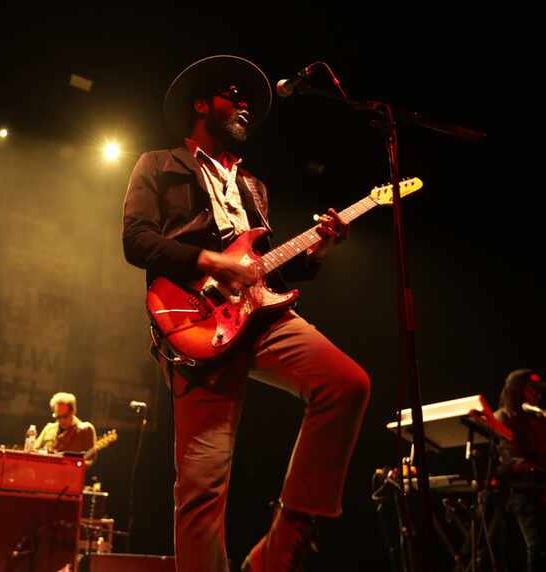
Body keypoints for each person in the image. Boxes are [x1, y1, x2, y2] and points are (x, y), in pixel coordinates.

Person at [122, 55, 371, 571]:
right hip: (193, 322)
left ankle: (281, 549)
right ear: (200, 104)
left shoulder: (254, 186)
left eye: (246, 101)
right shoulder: (157, 164)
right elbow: (136, 240)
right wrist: (209, 260)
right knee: (202, 485)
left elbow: (265, 269)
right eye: (232, 95)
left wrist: (317, 251)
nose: (243, 106)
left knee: (346, 384)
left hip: (261, 317)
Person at [494, 369, 546, 570]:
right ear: (517, 391)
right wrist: (540, 468)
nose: (538, 396)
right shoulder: (504, 417)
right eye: (533, 390)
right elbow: (510, 459)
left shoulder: (542, 419)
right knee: (540, 548)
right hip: (526, 494)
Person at [31, 392, 97, 465]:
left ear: (73, 412)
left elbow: (90, 460)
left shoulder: (86, 429)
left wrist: (73, 465)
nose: (61, 420)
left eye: (65, 416)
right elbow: (34, 451)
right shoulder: (48, 428)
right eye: (58, 417)